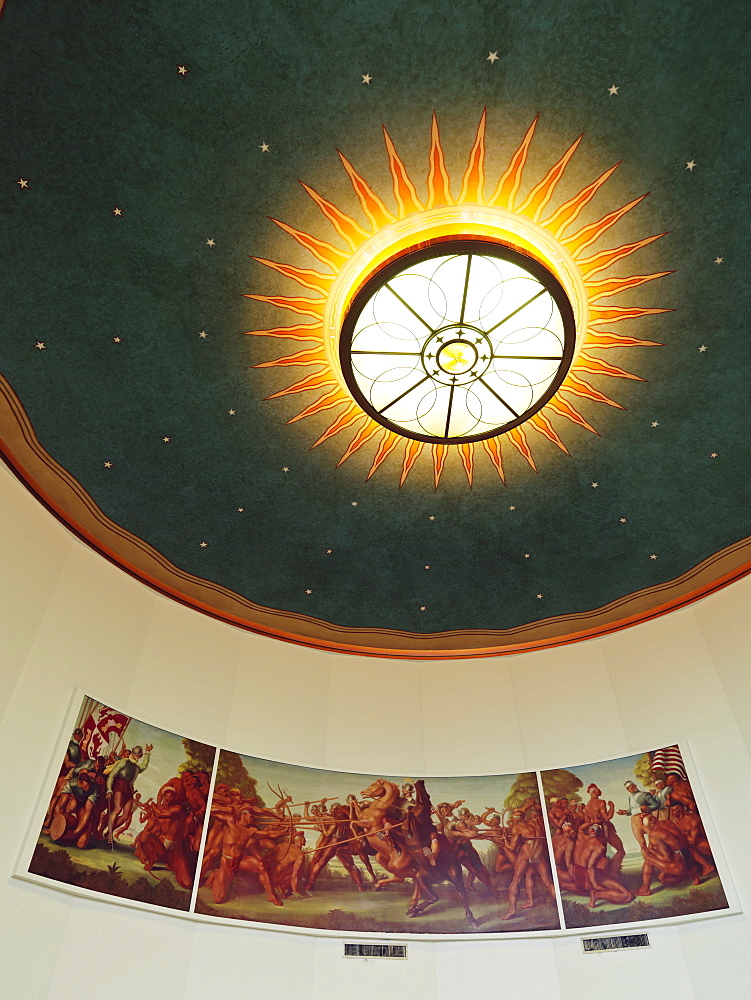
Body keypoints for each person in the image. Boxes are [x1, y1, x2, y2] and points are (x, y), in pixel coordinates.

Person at [102, 744, 152, 841]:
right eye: (135, 754)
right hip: (119, 785)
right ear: (132, 753)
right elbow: (112, 775)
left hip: (129, 789)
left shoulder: (137, 767)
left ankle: (109, 832)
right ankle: (109, 836)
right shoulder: (123, 761)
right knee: (117, 809)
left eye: (138, 755)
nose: (136, 756)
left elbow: (144, 766)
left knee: (125, 815)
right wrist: (109, 789)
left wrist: (148, 753)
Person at [582, 784, 625, 875]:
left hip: (596, 832)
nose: (600, 792)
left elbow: (587, 822)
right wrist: (612, 806)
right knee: (621, 851)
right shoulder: (601, 802)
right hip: (606, 828)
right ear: (594, 792)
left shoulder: (587, 807)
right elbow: (607, 817)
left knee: (602, 856)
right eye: (598, 791)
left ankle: (605, 876)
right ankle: (612, 873)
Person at [617, 781, 661, 854]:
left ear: (634, 785)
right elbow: (632, 809)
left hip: (644, 819)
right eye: (627, 788)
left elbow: (656, 805)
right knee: (642, 844)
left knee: (653, 841)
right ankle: (648, 861)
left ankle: (658, 858)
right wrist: (625, 812)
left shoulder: (645, 795)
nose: (629, 789)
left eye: (630, 787)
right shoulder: (630, 798)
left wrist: (647, 808)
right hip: (635, 822)